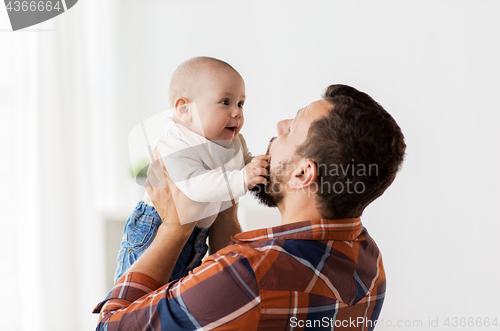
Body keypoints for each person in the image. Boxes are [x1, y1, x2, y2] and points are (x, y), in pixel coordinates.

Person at [93, 84, 406, 330]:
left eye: (292, 128)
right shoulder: (369, 263)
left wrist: (176, 228)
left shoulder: (249, 275)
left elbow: (110, 328)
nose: (279, 125)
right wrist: (226, 209)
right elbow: (229, 311)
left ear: (302, 173)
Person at [114, 56, 269, 283]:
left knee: (176, 295)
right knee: (141, 294)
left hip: (197, 234)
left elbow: (245, 163)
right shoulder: (175, 144)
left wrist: (261, 167)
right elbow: (194, 186)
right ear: (185, 109)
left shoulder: (234, 143)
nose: (237, 112)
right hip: (154, 230)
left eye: (240, 103)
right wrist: (243, 178)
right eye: (225, 102)